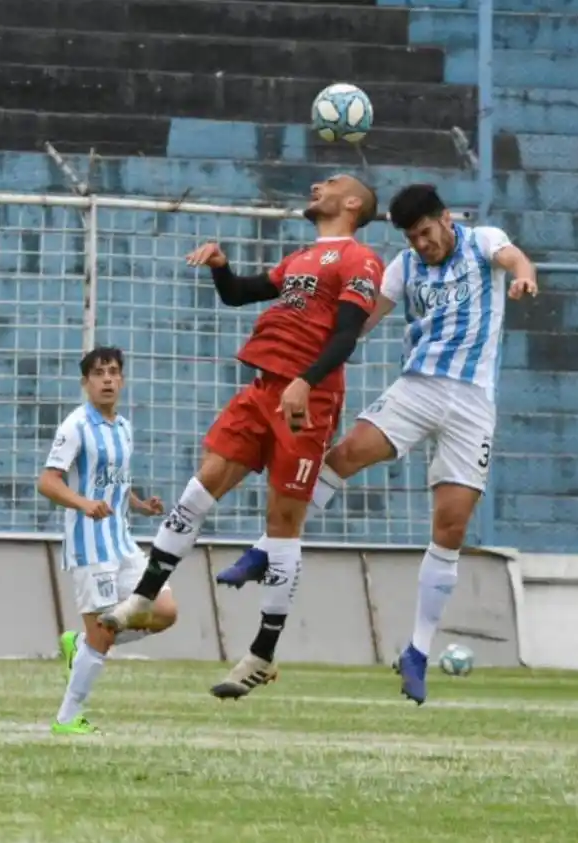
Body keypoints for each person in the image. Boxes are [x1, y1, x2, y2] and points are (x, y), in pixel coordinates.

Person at [215, 183, 538, 705]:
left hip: (474, 403)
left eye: (427, 233)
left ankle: (416, 651)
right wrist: (308, 357)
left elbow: (514, 257)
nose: (422, 244)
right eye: (412, 237)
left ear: (446, 219)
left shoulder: (482, 242)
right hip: (418, 387)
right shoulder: (404, 267)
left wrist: (522, 277)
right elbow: (358, 323)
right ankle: (263, 550)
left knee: (450, 526)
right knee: (343, 456)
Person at [98, 174, 384, 699]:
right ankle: (144, 597)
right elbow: (238, 296)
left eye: (331, 182)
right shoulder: (301, 259)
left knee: (281, 526)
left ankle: (261, 654)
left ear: (352, 203)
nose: (315, 183)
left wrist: (305, 382)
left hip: (308, 401)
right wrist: (220, 266)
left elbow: (346, 334)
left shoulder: (359, 260)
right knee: (199, 487)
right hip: (262, 390)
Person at [38, 346, 178, 734]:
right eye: (99, 374)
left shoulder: (124, 427)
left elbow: (116, 480)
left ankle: (82, 643)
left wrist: (139, 504)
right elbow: (47, 481)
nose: (108, 380)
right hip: (89, 546)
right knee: (103, 635)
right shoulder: (75, 426)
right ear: (85, 383)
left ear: (123, 379)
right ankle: (67, 718)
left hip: (122, 542)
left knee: (165, 610)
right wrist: (83, 503)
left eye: (114, 372)